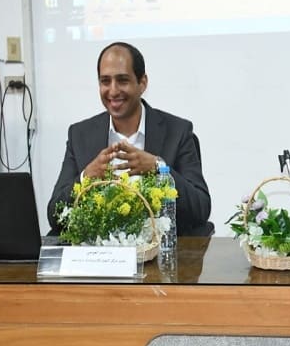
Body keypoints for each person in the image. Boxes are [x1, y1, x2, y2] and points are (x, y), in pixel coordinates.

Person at [47, 41, 212, 236]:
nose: (113, 91)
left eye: (122, 80)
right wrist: (86, 177)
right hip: (98, 256)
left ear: (142, 83)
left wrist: (159, 168)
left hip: (159, 257)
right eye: (105, 81)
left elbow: (201, 209)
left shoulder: (178, 131)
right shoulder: (80, 135)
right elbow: (54, 216)